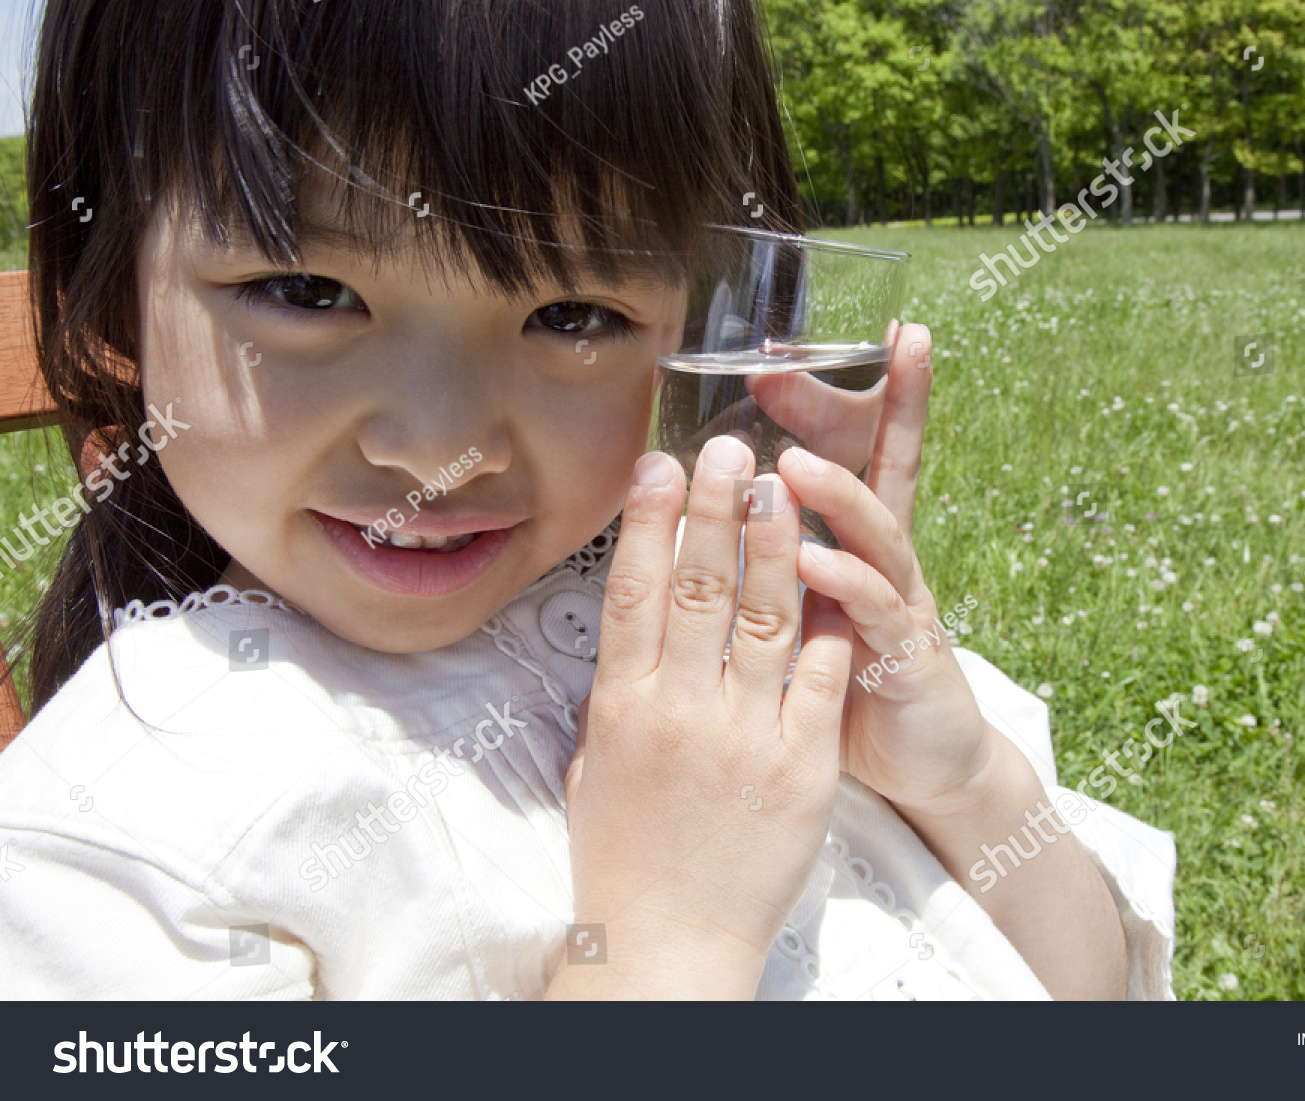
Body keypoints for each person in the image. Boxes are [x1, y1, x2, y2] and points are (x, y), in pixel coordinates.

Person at [0, 0, 1174, 1000]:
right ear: (109, 292)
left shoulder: (725, 632)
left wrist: (962, 784)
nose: (437, 448)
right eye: (305, 290)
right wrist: (669, 939)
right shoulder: (128, 846)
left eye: (574, 316)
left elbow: (1096, 994)